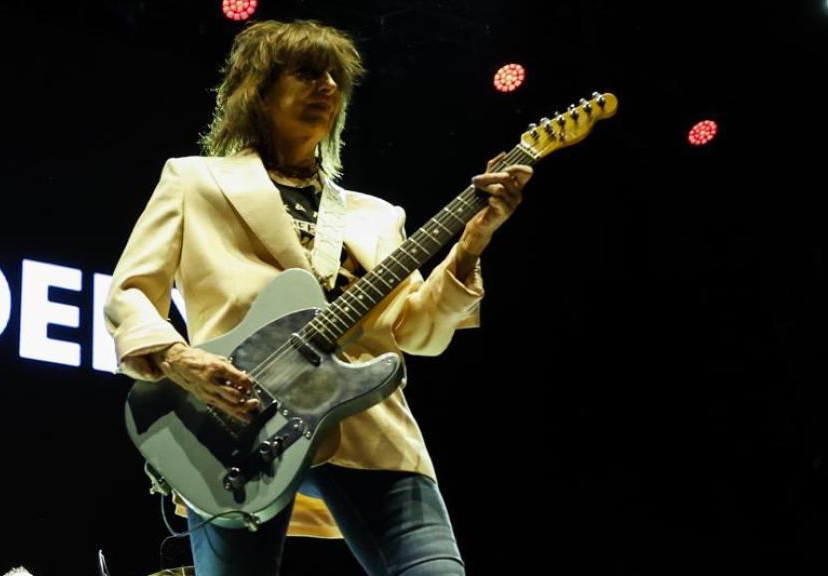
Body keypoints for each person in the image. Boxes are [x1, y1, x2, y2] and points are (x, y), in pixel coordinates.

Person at [104, 19, 531, 576]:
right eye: (307, 72)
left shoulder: (377, 216)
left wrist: (471, 247)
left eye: (336, 77)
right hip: (234, 420)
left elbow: (417, 332)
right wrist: (180, 360)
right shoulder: (194, 181)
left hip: (368, 423)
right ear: (258, 89)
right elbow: (131, 291)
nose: (327, 86)